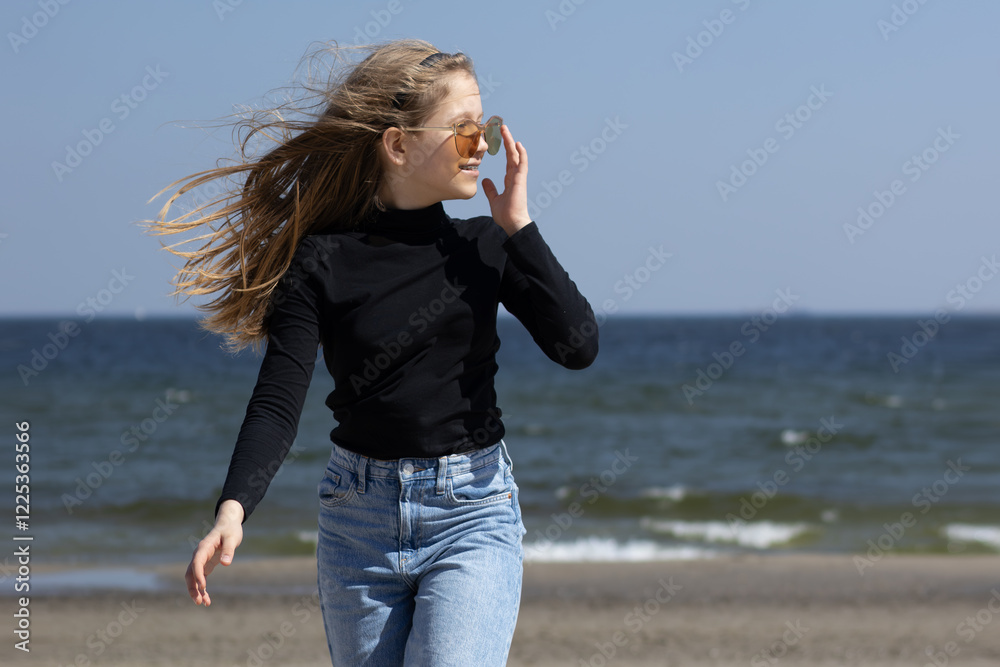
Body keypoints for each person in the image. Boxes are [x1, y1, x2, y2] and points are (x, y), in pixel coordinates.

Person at [148, 39, 598, 665]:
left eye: (486, 129)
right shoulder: (320, 261)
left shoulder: (486, 248)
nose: (483, 146)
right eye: (464, 131)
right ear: (398, 145)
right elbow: (279, 399)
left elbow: (578, 347)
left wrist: (520, 227)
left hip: (471, 515)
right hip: (357, 525)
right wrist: (233, 510)